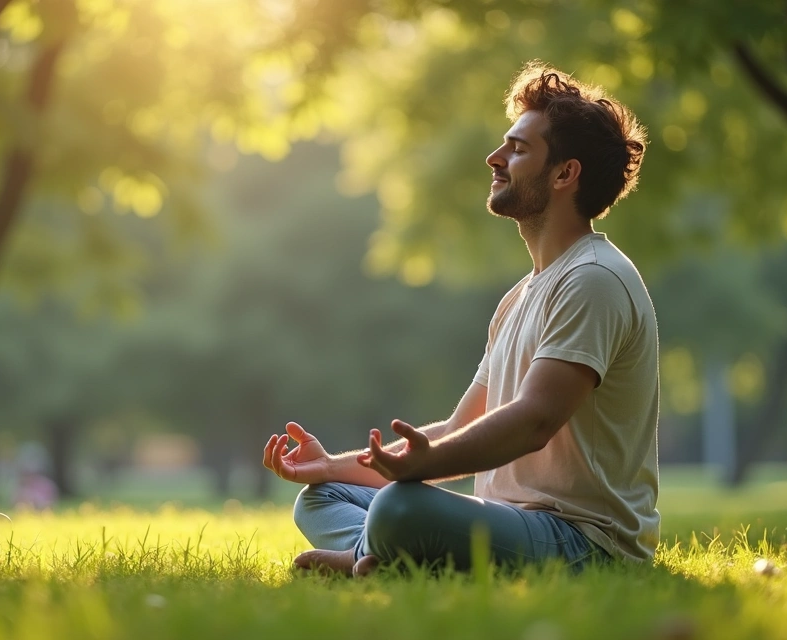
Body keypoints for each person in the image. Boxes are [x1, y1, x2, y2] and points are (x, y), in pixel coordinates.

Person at [261, 61, 659, 576]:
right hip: (508, 525)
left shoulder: (594, 279)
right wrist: (333, 465)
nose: (495, 158)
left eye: (518, 149)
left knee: (399, 507)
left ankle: (377, 557)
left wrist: (423, 469)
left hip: (582, 543)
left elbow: (535, 421)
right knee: (321, 497)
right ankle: (396, 560)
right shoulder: (520, 297)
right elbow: (457, 427)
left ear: (565, 173)